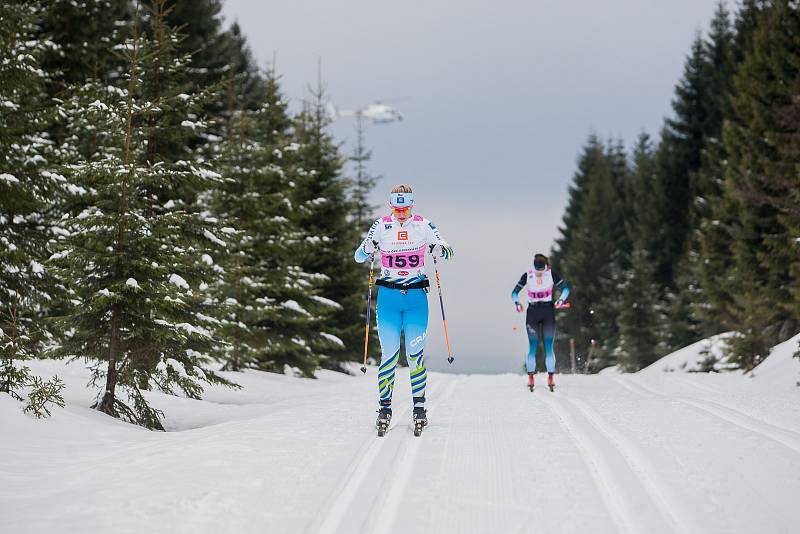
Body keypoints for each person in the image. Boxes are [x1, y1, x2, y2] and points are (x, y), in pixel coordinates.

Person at [354, 184, 454, 433]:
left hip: (416, 299)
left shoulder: (423, 225)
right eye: (397, 208)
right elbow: (358, 255)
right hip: (388, 298)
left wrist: (439, 248)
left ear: (412, 206)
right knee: (389, 354)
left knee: (414, 354)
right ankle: (385, 407)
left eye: (405, 208)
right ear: (391, 207)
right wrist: (368, 248)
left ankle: (419, 407)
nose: (401, 213)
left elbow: (449, 251)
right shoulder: (381, 225)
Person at [511, 253, 570, 391]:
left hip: (548, 311)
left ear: (545, 267)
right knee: (533, 346)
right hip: (532, 313)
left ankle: (551, 377)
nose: (538, 274)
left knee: (549, 347)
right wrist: (517, 303)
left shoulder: (551, 274)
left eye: (541, 271)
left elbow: (566, 289)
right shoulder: (527, 275)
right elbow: (514, 292)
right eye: (536, 271)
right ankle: (531, 377)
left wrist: (561, 300)